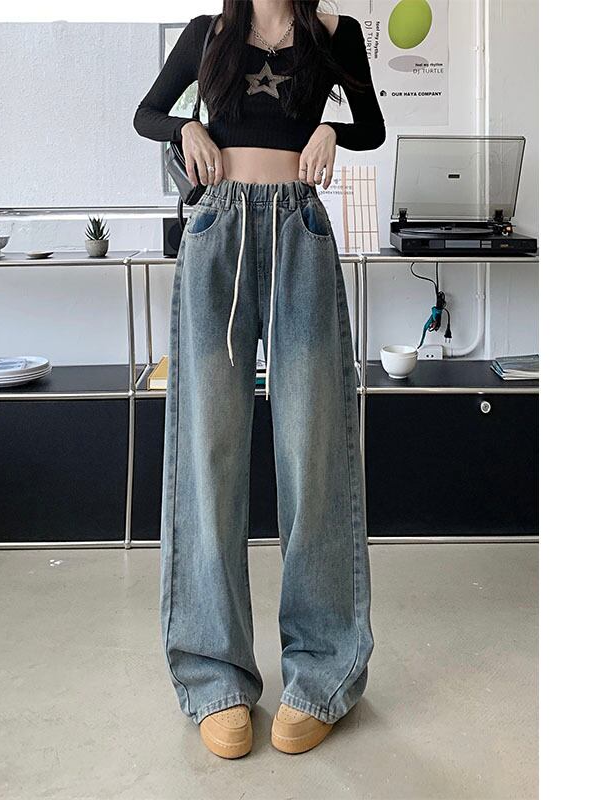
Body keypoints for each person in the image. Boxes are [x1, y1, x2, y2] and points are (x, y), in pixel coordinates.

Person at [133, 0, 386, 758]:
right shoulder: (209, 32)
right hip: (218, 231)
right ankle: (214, 674)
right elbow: (147, 113)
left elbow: (370, 127)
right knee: (208, 453)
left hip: (299, 231)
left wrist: (330, 130)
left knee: (313, 452)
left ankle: (323, 670)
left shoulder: (335, 34)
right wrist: (186, 128)